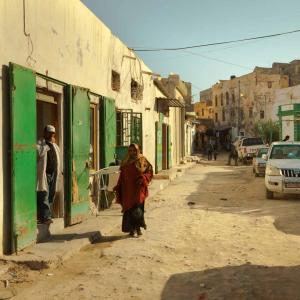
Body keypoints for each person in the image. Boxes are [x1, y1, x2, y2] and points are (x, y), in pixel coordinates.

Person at [113, 144, 153, 237]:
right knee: (129, 210)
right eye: (130, 150)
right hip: (128, 190)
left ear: (137, 150)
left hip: (138, 189)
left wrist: (143, 178)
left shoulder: (142, 160)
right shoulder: (125, 161)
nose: (132, 152)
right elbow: (122, 175)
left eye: (134, 150)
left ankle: (138, 228)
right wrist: (118, 186)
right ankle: (132, 229)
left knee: (138, 210)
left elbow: (149, 172)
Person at [36, 125, 61, 224]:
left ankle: (47, 215)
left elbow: (58, 157)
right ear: (45, 133)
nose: (51, 135)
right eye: (49, 133)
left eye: (53, 133)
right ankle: (45, 217)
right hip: (44, 173)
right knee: (44, 194)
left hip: (54, 173)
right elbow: (39, 153)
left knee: (51, 194)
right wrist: (48, 145)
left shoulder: (54, 145)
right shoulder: (40, 144)